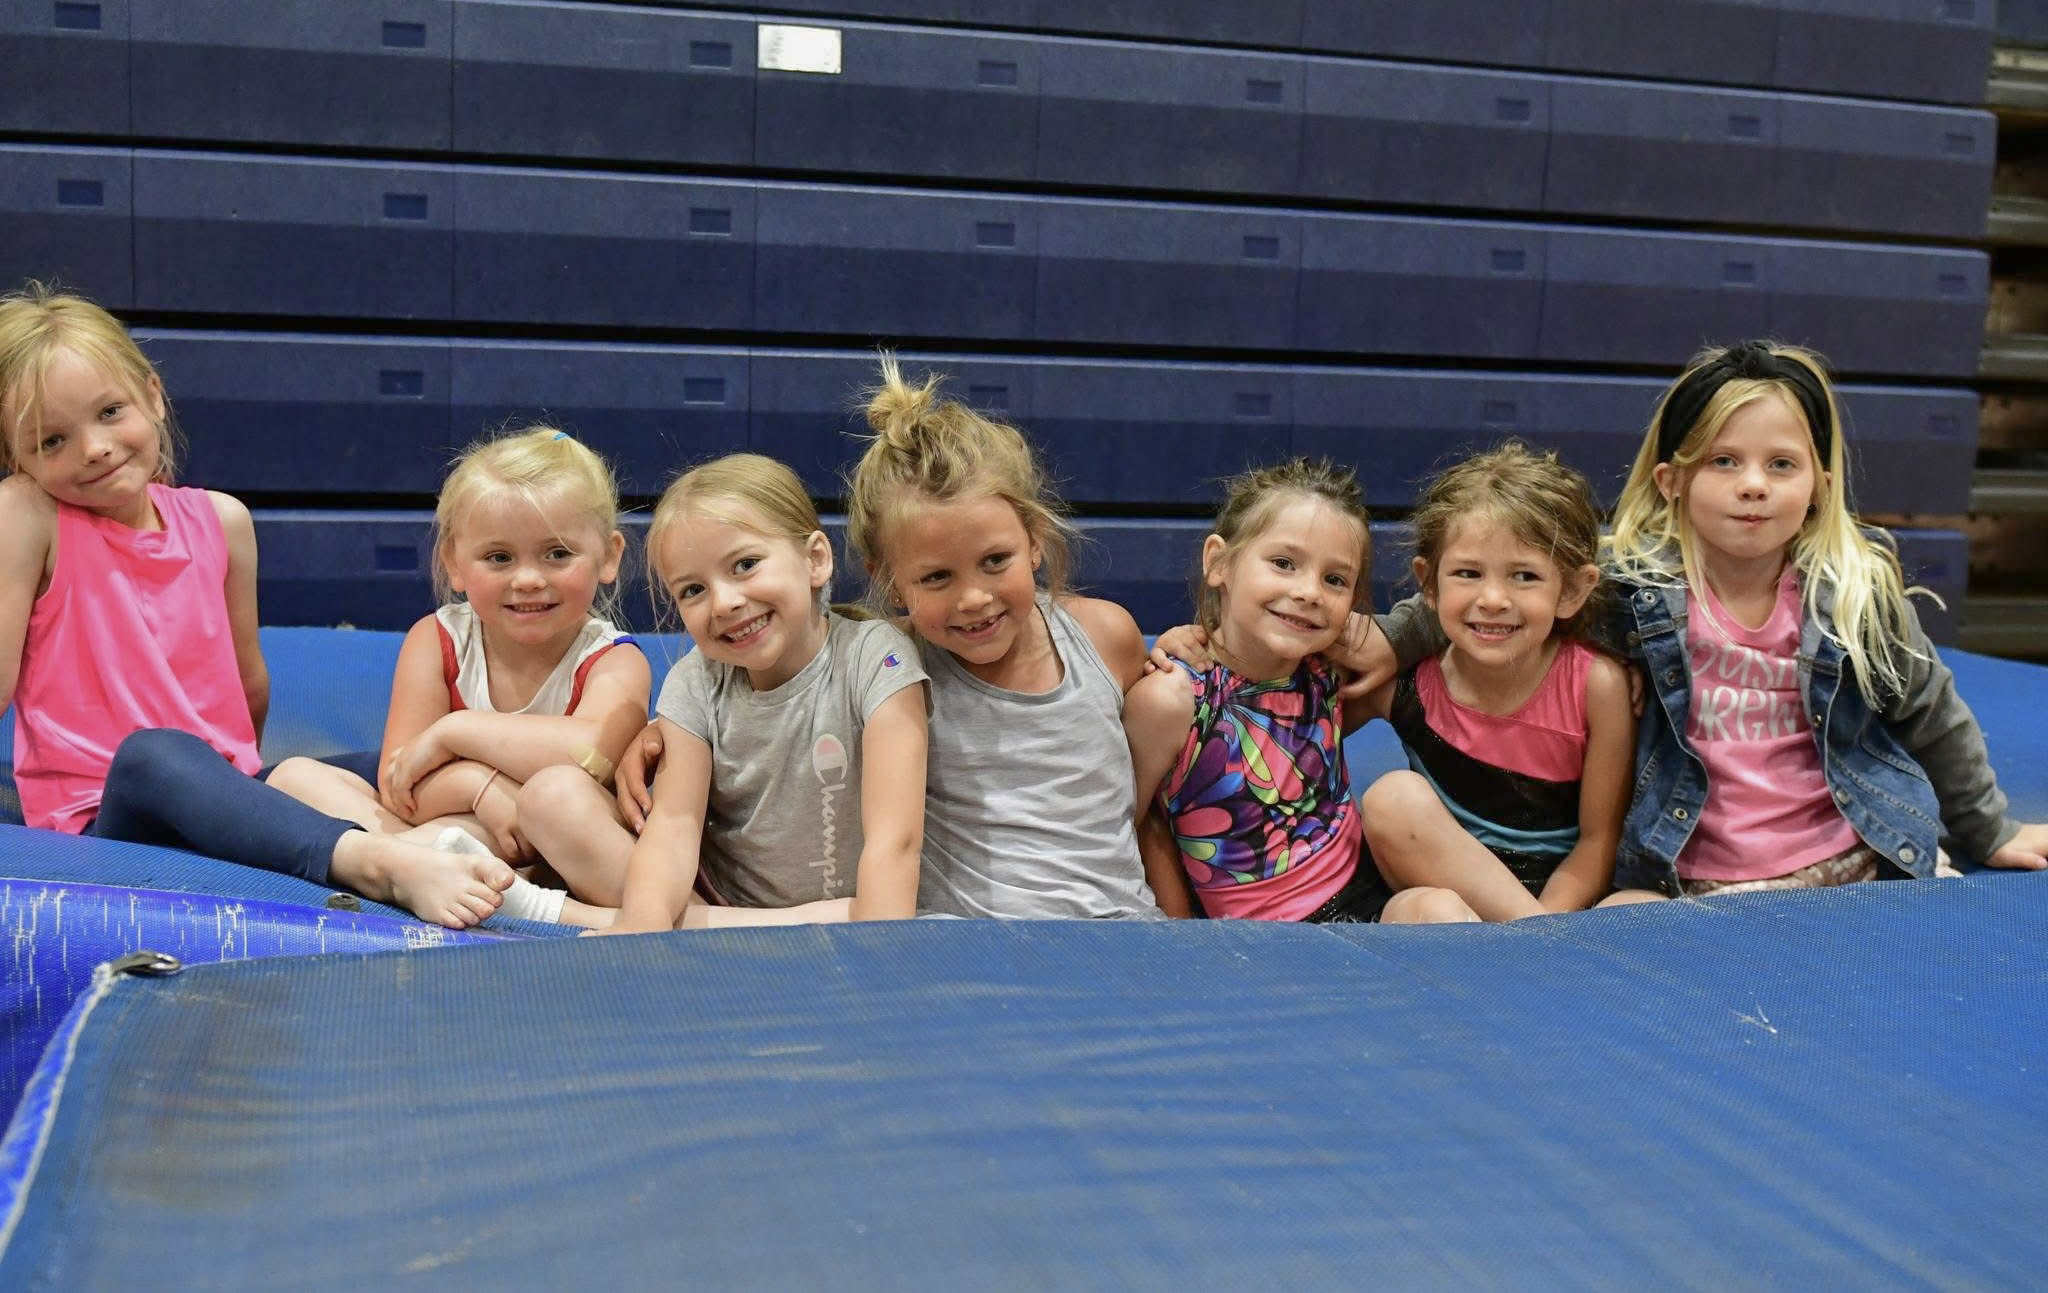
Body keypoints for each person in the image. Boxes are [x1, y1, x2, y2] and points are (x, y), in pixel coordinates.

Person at [1381, 342, 2048, 897]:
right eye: (1724, 461)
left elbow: (1932, 712)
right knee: (1628, 918)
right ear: (1671, 481)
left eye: (1781, 464)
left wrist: (1989, 829)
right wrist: (1388, 640)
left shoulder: (1853, 595)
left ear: (1818, 485)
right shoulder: (1636, 589)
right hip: (1688, 876)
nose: (1753, 484)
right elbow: (1504, 590)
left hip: (1849, 865)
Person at [0, 282, 510, 927]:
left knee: (399, 763)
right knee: (154, 754)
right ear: (18, 462)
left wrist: (240, 801)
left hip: (222, 788)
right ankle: (376, 862)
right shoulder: (29, 515)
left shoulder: (222, 520)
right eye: (51, 441)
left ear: (152, 395)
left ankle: (535, 845)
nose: (93, 447)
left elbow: (249, 684)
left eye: (109, 412)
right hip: (112, 812)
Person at [525, 453, 929, 933]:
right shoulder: (695, 681)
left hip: (847, 910)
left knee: (874, 908)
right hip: (719, 903)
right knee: (554, 799)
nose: (724, 603)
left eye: (745, 565)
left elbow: (895, 841)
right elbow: (673, 829)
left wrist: (881, 947)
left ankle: (584, 914)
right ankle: (696, 927)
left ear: (815, 559)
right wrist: (644, 930)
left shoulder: (875, 657)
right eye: (693, 590)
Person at [264, 426, 650, 926]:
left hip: (559, 850)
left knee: (555, 797)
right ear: (455, 563)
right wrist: (479, 787)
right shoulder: (437, 639)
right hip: (462, 826)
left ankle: (521, 896)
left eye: (557, 554)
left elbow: (589, 755)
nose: (528, 579)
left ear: (609, 556)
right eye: (499, 557)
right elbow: (399, 786)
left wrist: (456, 732)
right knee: (293, 777)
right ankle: (436, 865)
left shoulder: (614, 660)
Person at [842, 355, 1167, 918]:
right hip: (974, 947)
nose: (974, 598)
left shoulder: (1104, 635)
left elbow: (1148, 810)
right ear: (890, 582)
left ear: (1034, 540)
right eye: (936, 577)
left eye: (995, 560)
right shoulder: (887, 665)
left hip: (1124, 936)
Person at [1353, 443, 1634, 921]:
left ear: (1571, 590)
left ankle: (1527, 943)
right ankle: (1531, 946)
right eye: (1468, 573)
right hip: (1453, 902)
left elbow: (1598, 842)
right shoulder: (1404, 683)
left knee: (1643, 905)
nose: (1493, 599)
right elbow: (1287, 725)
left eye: (1524, 576)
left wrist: (1543, 920)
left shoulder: (1596, 686)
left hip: (1559, 904)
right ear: (1429, 582)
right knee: (1393, 801)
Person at [1122, 458, 1395, 921]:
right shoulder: (1172, 700)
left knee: (1437, 907)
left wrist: (1397, 641)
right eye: (1283, 564)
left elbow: (1454, 626)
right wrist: (1178, 934)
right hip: (1263, 939)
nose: (1310, 592)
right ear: (1219, 562)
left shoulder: (1331, 666)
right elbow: (1133, 825)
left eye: (1335, 579)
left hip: (1370, 898)